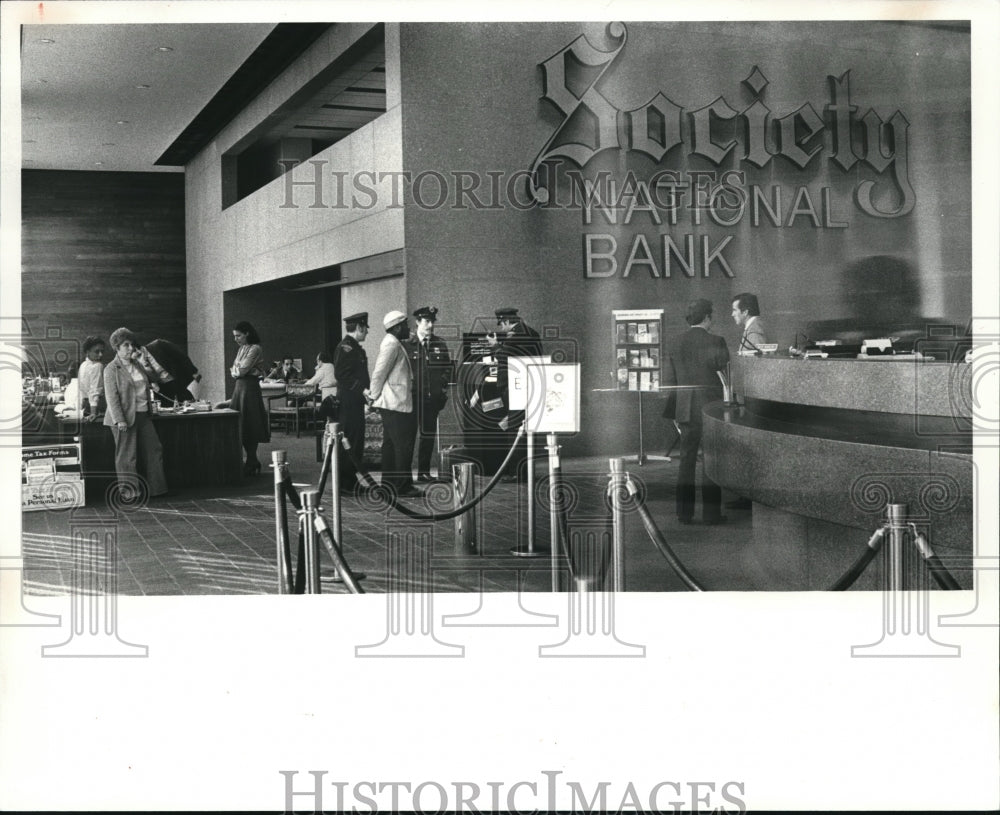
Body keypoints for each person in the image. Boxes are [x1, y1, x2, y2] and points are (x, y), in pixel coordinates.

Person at [662, 299, 729, 525]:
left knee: (686, 460)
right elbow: (725, 373)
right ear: (707, 317)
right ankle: (711, 514)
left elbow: (671, 382)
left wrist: (675, 412)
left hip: (685, 409)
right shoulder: (716, 340)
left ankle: (684, 513)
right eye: (712, 316)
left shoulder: (674, 342)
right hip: (711, 409)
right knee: (711, 460)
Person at [103, 327, 168, 498]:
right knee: (127, 456)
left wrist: (146, 367)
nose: (131, 348)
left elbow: (154, 379)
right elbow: (112, 397)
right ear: (117, 347)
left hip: (143, 414)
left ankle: (158, 489)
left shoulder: (137, 364)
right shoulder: (111, 369)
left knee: (155, 450)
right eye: (126, 345)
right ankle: (130, 493)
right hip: (123, 418)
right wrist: (120, 420)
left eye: (131, 345)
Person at [485, 307, 543, 482]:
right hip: (528, 386)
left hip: (515, 388)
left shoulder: (516, 335)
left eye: (502, 325)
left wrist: (495, 347)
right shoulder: (530, 332)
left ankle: (518, 473)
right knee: (523, 428)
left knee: (515, 429)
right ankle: (524, 471)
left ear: (506, 322)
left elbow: (506, 357)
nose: (502, 329)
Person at [369, 310, 420, 497]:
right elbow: (379, 372)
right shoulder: (391, 344)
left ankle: (389, 485)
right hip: (395, 403)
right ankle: (402, 486)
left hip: (392, 403)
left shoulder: (394, 342)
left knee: (390, 446)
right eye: (405, 325)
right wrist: (372, 396)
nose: (408, 328)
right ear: (397, 327)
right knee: (402, 446)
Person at [405, 306, 453, 482]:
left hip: (431, 400)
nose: (430, 325)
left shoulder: (439, 344)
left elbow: (447, 369)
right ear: (417, 322)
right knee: (408, 437)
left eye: (432, 321)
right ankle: (405, 475)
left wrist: (441, 387)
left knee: (427, 436)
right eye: (426, 321)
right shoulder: (407, 345)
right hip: (411, 399)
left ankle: (423, 472)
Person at [333, 313, 371, 492]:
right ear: (360, 327)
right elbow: (341, 374)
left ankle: (350, 480)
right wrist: (363, 390)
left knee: (355, 442)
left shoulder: (354, 347)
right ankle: (345, 483)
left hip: (354, 402)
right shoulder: (346, 348)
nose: (366, 333)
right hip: (348, 402)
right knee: (349, 441)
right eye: (365, 329)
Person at [230, 320, 270, 476]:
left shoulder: (255, 348)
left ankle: (252, 459)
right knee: (241, 423)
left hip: (249, 388)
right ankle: (251, 460)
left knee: (250, 423)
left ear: (247, 333)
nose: (236, 339)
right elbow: (235, 370)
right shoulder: (242, 349)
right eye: (235, 336)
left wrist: (238, 370)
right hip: (240, 388)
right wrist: (238, 370)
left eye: (238, 335)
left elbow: (240, 370)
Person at [137, 338, 201, 405]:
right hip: (162, 389)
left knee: (189, 405)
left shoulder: (158, 345)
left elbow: (181, 356)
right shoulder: (137, 363)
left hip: (179, 381)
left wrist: (193, 372)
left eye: (139, 354)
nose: (139, 358)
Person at [77, 335, 106, 421]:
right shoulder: (97, 366)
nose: (100, 355)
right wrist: (94, 413)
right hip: (97, 408)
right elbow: (95, 390)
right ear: (87, 352)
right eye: (97, 352)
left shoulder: (83, 365)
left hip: (86, 407)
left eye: (102, 351)